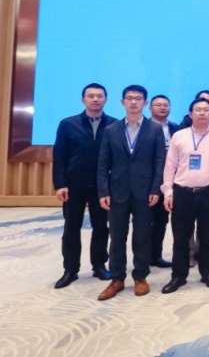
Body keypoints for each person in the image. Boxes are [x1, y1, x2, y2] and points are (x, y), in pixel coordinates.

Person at [96, 85, 166, 300]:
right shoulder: (111, 130)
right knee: (117, 236)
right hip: (117, 191)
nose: (133, 102)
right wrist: (103, 191)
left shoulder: (155, 129)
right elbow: (103, 163)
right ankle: (117, 278)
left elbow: (159, 162)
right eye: (129, 98)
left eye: (138, 98)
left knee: (142, 236)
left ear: (145, 103)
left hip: (145, 192)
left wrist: (156, 188)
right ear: (122, 102)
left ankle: (140, 276)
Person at [161, 98, 209, 294]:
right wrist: (168, 192)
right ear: (190, 114)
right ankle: (178, 276)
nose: (202, 113)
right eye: (198, 110)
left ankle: (208, 273)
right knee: (180, 238)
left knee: (207, 237)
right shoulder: (179, 136)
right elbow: (170, 166)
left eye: (206, 110)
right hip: (182, 193)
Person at [53, 83, 116, 289]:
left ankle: (99, 265)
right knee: (71, 227)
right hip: (74, 185)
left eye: (99, 96)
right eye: (91, 96)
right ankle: (70, 270)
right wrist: (60, 184)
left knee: (101, 227)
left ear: (105, 99)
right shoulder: (68, 124)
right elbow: (59, 156)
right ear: (83, 100)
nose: (95, 99)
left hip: (102, 186)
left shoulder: (114, 125)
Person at [148, 94, 179, 268]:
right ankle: (143, 258)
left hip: (171, 181)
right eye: (158, 105)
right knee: (145, 222)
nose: (162, 107)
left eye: (165, 105)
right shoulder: (144, 128)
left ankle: (156, 256)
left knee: (161, 221)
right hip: (148, 181)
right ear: (150, 108)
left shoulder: (176, 129)